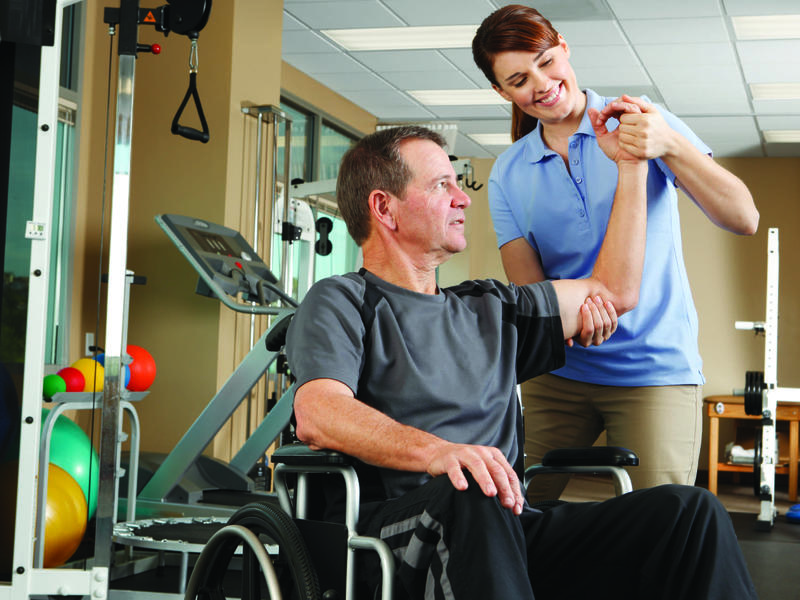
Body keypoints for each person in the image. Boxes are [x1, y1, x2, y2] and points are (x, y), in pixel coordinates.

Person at [285, 125, 757, 599]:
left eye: (456, 183)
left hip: (506, 526)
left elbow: (613, 294)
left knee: (689, 513)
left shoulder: (490, 307)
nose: (462, 199)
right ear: (384, 208)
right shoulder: (342, 299)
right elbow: (318, 413)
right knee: (471, 488)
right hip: (397, 535)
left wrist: (631, 166)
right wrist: (438, 453)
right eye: (440, 185)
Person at [471, 4, 760, 501]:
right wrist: (583, 319)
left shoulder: (644, 121)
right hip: (558, 372)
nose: (541, 83)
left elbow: (744, 218)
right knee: (512, 513)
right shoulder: (508, 172)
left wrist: (668, 143)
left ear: (564, 46)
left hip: (654, 371)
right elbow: (531, 290)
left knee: (661, 526)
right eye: (519, 79)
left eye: (546, 60)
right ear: (502, 92)